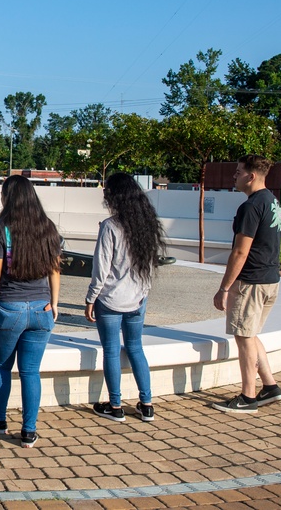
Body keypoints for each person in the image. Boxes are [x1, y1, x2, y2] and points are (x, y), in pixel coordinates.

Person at [0, 175, 62, 448]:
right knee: (30, 371)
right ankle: (29, 431)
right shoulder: (48, 228)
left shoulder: (1, 228)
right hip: (42, 310)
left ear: (8, 198)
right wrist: (54, 303)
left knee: (2, 365)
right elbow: (55, 268)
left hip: (10, 307)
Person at [85, 173, 166, 423]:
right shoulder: (148, 224)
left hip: (109, 300)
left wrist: (90, 299)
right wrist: (144, 292)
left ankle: (116, 406)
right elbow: (152, 266)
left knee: (111, 351)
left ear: (114, 196)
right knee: (135, 348)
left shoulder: (110, 226)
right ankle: (147, 404)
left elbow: (101, 268)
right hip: (138, 299)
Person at [213, 154, 281, 414]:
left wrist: (224, 289)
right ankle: (270, 387)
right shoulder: (272, 201)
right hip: (270, 279)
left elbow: (240, 252)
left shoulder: (251, 206)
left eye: (238, 171)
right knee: (251, 334)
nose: (234, 176)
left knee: (243, 337)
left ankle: (248, 397)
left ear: (251, 176)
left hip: (251, 283)